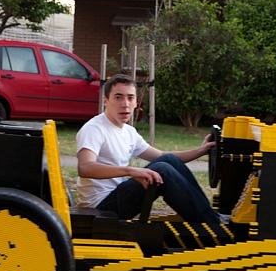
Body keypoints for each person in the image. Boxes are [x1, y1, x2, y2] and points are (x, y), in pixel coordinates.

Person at [76, 74, 222, 224]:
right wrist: (131, 171)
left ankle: (209, 217)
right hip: (100, 207)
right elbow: (85, 168)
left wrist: (201, 150)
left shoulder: (128, 132)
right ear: (106, 101)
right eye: (118, 97)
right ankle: (211, 223)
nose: (125, 104)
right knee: (161, 169)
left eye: (130, 98)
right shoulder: (94, 129)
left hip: (116, 196)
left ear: (136, 103)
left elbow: (161, 155)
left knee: (168, 160)